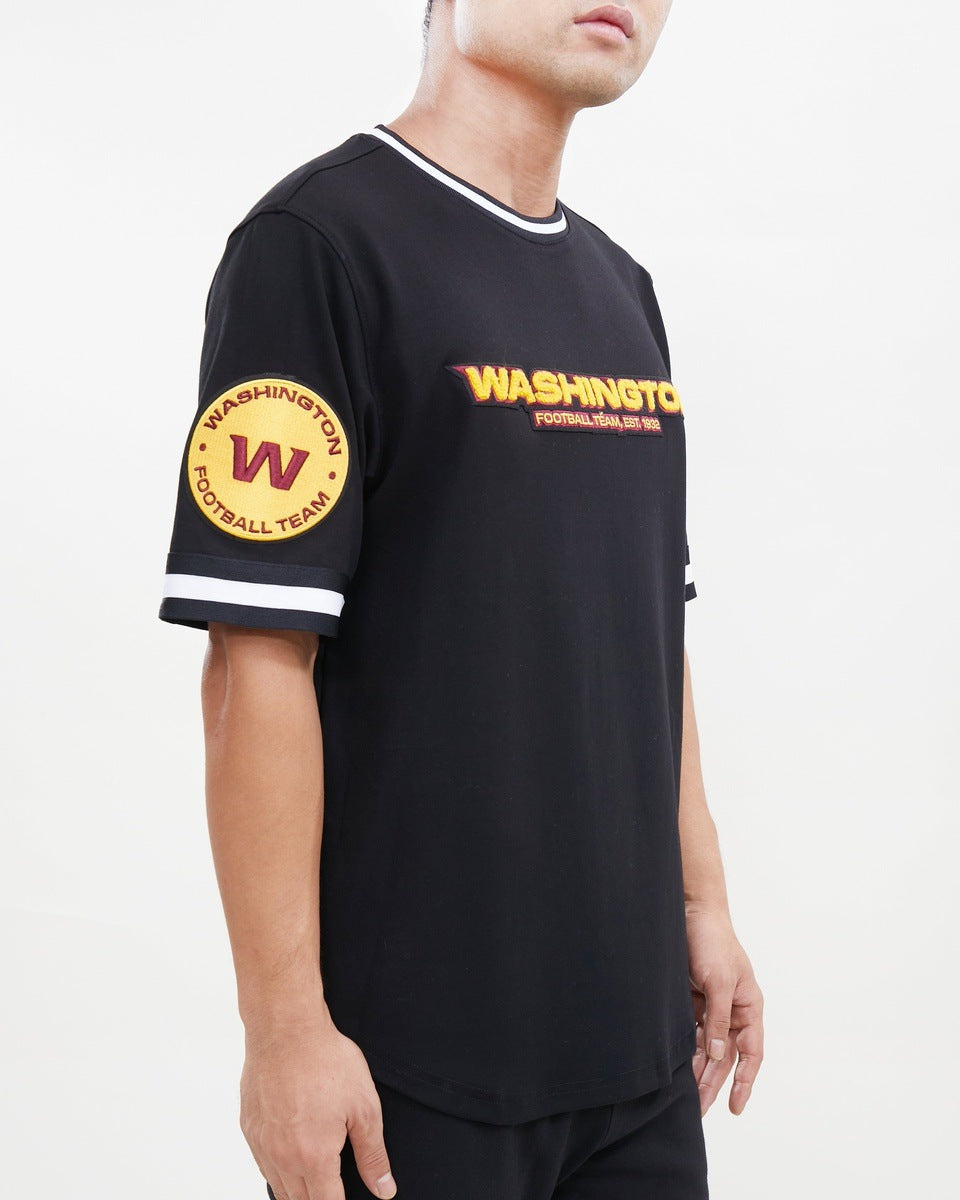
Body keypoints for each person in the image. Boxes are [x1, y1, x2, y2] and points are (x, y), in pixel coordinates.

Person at [158, 1, 764, 1196]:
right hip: (415, 1077)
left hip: (638, 1061)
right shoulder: (317, 247)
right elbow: (254, 659)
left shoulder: (623, 291)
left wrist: (705, 903)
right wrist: (283, 1030)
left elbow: (652, 632)